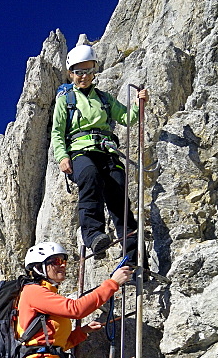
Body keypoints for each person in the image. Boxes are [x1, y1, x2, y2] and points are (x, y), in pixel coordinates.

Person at [51, 44, 149, 263]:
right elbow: (57, 132)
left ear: (94, 71)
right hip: (80, 151)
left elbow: (128, 118)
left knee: (120, 201)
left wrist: (138, 104)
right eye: (78, 72)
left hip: (106, 151)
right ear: (71, 73)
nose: (83, 76)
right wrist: (62, 156)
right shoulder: (65, 100)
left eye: (87, 71)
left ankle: (134, 259)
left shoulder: (104, 99)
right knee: (89, 176)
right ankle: (94, 235)